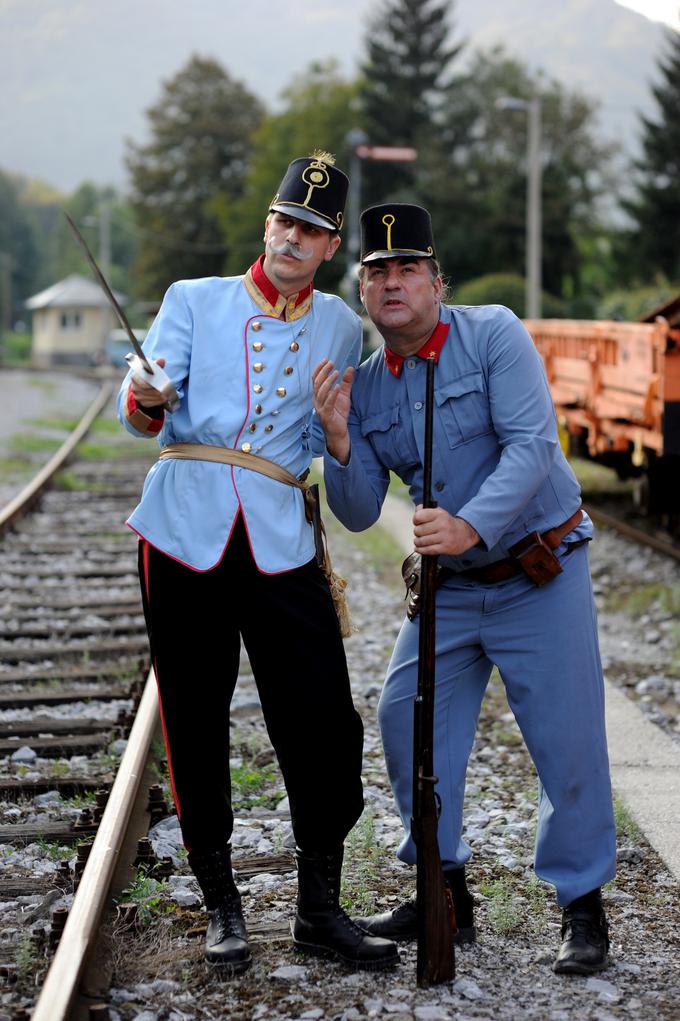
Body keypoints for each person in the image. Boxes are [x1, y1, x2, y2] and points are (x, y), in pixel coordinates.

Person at [312, 203, 616, 976]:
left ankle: (582, 908)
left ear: (436, 281)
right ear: (363, 290)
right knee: (401, 717)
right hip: (451, 587)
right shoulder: (369, 386)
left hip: (536, 570)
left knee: (566, 736)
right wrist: (341, 441)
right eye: (376, 271)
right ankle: (444, 894)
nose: (392, 282)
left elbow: (533, 447)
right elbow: (352, 512)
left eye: (407, 267)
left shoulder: (494, 336)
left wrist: (470, 525)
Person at [116, 155, 398, 973]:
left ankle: (320, 910)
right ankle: (222, 905)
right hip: (182, 528)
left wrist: (336, 435)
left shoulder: (344, 327)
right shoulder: (191, 300)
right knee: (195, 715)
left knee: (324, 722)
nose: (291, 236)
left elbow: (331, 447)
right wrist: (149, 396)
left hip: (280, 534)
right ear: (268, 224)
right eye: (284, 220)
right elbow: (140, 412)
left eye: (310, 229)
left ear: (329, 245)